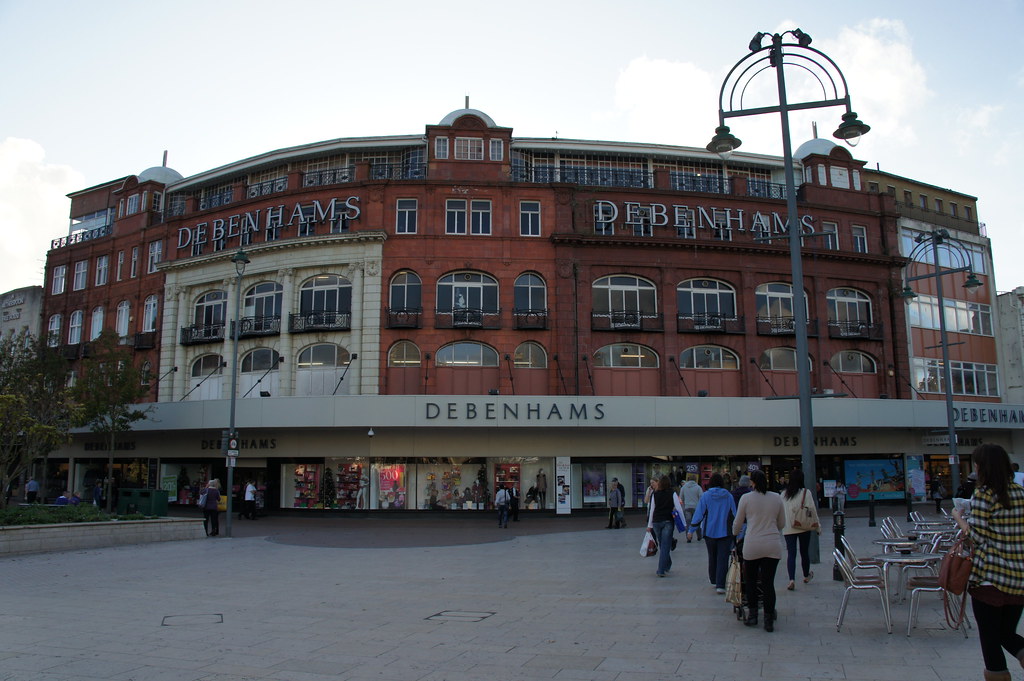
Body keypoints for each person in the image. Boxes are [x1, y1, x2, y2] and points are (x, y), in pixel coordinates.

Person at [951, 444, 1024, 681]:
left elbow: (977, 538)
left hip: (989, 579)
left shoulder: (983, 494)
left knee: (991, 641)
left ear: (981, 466)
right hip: (1018, 578)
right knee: (1006, 633)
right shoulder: (1020, 493)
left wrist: (959, 518)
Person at [732, 469, 785, 632]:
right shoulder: (776, 497)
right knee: (769, 583)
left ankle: (753, 615)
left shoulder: (746, 498)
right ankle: (768, 619)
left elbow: (737, 523)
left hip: (752, 544)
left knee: (751, 582)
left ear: (752, 483)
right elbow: (782, 523)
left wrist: (735, 534)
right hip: (772, 544)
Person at [687, 473, 737, 594]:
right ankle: (720, 584)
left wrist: (691, 530)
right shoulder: (728, 496)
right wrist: (739, 531)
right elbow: (735, 514)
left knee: (712, 556)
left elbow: (699, 514)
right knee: (723, 558)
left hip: (709, 532)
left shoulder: (706, 496)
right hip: (725, 532)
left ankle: (714, 579)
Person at [782, 468, 821, 591]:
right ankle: (805, 575)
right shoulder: (806, 492)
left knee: (791, 554)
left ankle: (791, 579)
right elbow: (812, 511)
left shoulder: (783, 494)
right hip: (803, 527)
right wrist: (818, 527)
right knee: (804, 552)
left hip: (788, 528)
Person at [646, 475, 685, 578]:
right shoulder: (672, 493)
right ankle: (661, 569)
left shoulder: (655, 494)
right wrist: (684, 523)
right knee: (665, 545)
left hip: (656, 522)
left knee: (663, 544)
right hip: (668, 521)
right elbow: (679, 508)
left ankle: (667, 564)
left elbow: (652, 510)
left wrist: (649, 525)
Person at [680, 475, 703, 542]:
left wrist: (684, 504)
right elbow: (701, 498)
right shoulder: (698, 487)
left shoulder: (684, 487)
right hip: (696, 508)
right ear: (696, 480)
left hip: (687, 507)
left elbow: (681, 498)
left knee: (688, 523)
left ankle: (688, 537)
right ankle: (699, 536)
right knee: (697, 522)